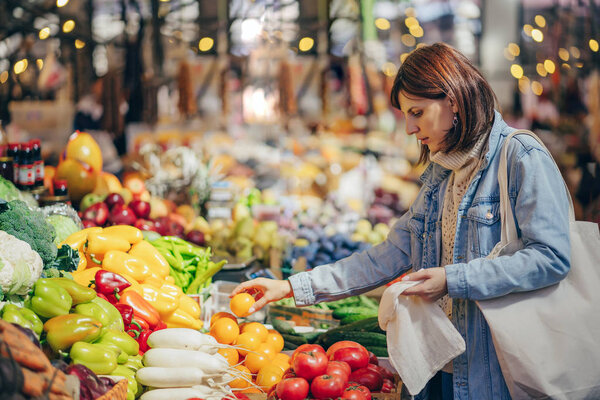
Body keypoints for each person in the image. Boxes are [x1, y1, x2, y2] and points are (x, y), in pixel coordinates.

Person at [231, 43, 571, 400]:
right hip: (433, 366)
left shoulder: (522, 158)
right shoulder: (442, 172)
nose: (410, 127)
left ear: (453, 100)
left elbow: (551, 257)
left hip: (491, 374)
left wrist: (453, 279)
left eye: (417, 112)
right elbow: (387, 256)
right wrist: (290, 287)